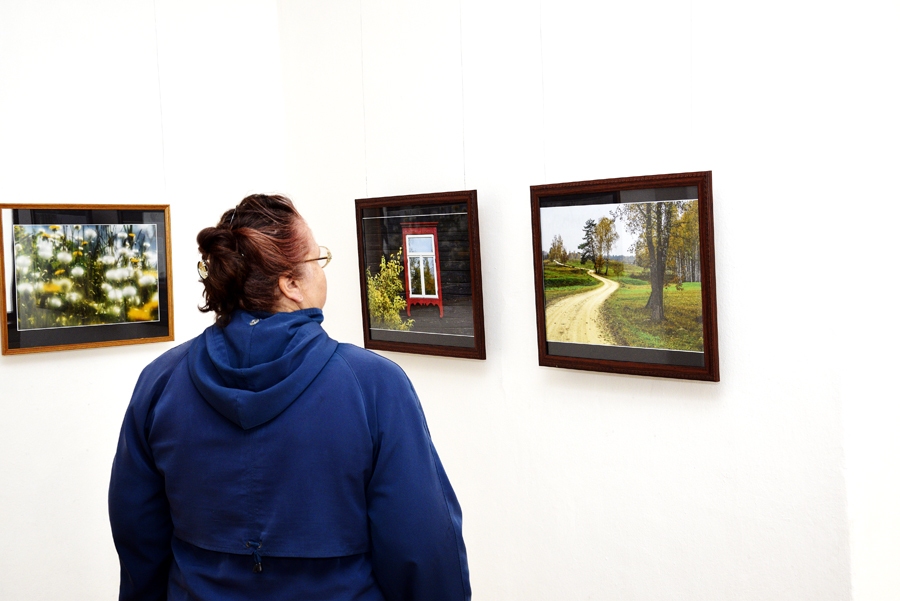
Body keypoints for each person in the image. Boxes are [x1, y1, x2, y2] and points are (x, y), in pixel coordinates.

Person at [108, 194, 471, 600]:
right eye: (318, 259)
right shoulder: (374, 386)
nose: (322, 271)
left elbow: (136, 533)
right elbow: (423, 546)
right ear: (291, 284)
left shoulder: (160, 382)